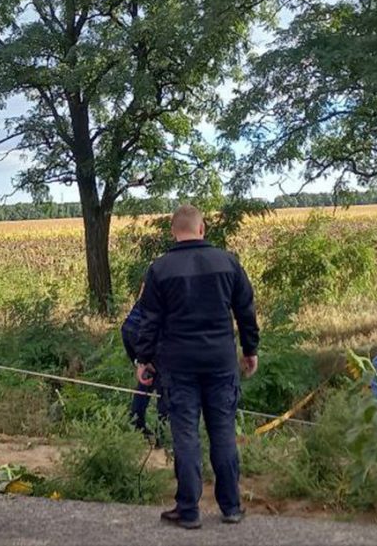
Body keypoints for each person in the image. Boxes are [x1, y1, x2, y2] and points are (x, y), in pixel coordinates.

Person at [134, 204, 259, 530]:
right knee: (223, 433)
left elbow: (149, 320)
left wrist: (144, 359)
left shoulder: (160, 268)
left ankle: (188, 510)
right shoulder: (228, 262)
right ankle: (231, 507)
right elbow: (245, 309)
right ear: (202, 229)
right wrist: (250, 349)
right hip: (220, 362)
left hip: (178, 365)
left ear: (174, 231)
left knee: (186, 436)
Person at [120, 282, 167, 436]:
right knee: (164, 380)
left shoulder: (155, 277)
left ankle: (137, 421)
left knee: (147, 375)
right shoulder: (174, 284)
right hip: (143, 332)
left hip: (128, 329)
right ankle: (163, 431)